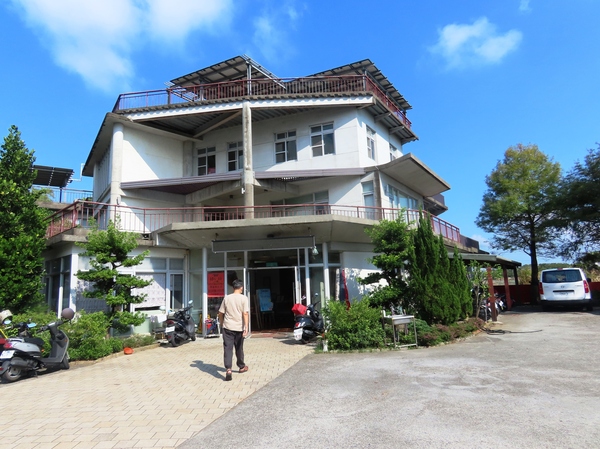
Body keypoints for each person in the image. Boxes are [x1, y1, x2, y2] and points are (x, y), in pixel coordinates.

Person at [218, 279, 249, 381]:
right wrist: (246, 327)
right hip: (239, 327)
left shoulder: (227, 298)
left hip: (228, 327)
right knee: (239, 347)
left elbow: (220, 313)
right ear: (241, 288)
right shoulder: (244, 298)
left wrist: (222, 323)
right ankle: (241, 366)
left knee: (228, 348)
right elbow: (245, 313)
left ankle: (228, 369)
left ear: (233, 288)